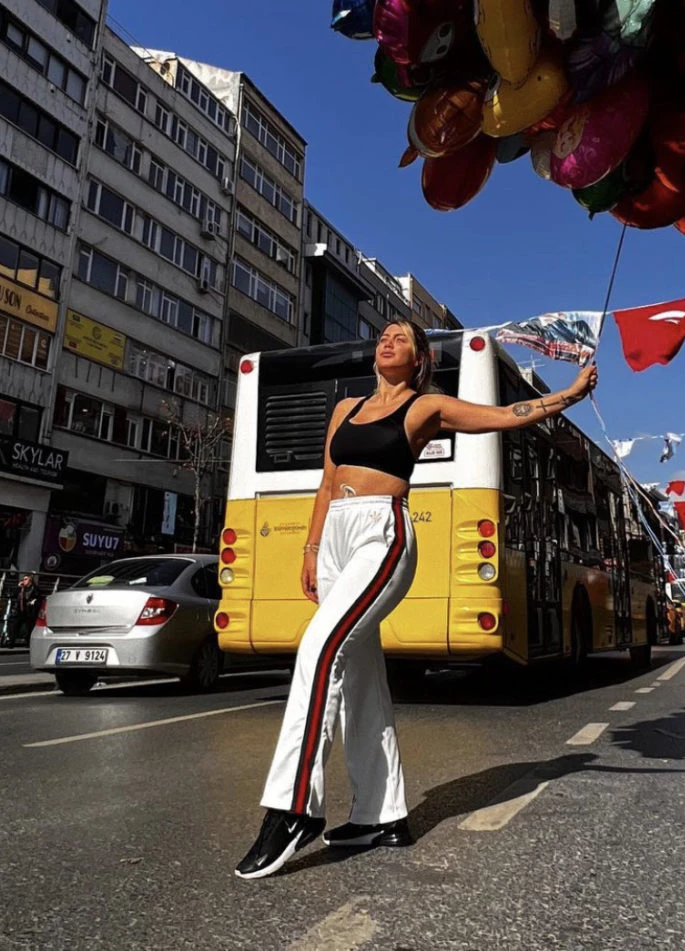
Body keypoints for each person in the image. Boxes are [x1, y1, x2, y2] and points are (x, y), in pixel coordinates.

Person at [235, 320, 598, 879]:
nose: (387, 342)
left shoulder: (424, 409)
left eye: (401, 338)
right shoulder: (345, 409)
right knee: (358, 676)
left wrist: (566, 396)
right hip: (333, 537)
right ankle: (381, 815)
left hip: (383, 534)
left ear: (420, 359)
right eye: (383, 335)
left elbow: (503, 418)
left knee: (318, 650)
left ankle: (292, 806)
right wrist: (310, 548)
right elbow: (327, 483)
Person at [1, 573, 39, 648]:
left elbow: (38, 598)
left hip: (29, 611)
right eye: (23, 579)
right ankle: (11, 642)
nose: (23, 581)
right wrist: (18, 587)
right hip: (19, 611)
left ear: (30, 581)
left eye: (25, 579)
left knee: (29, 627)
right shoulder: (21, 589)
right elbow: (12, 595)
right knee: (14, 626)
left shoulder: (34, 589)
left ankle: (28, 643)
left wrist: (33, 601)